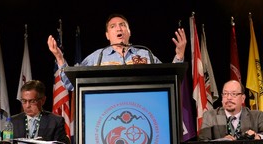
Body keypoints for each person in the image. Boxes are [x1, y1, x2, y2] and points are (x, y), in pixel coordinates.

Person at [47, 13, 187, 91]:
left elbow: (169, 79)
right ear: (107, 35)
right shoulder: (97, 57)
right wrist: (60, 58)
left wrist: (179, 55)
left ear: (129, 32)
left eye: (122, 25)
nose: (119, 29)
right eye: (113, 26)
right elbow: (70, 84)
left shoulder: (145, 54)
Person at [198, 80, 263, 141]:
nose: (229, 98)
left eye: (234, 94)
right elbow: (203, 142)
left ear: (243, 98)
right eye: (225, 94)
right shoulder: (210, 116)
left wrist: (258, 136)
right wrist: (222, 141)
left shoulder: (257, 116)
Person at [12, 80, 70, 144]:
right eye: (24, 101)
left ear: (43, 100)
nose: (27, 106)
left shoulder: (56, 122)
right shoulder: (13, 122)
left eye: (32, 101)